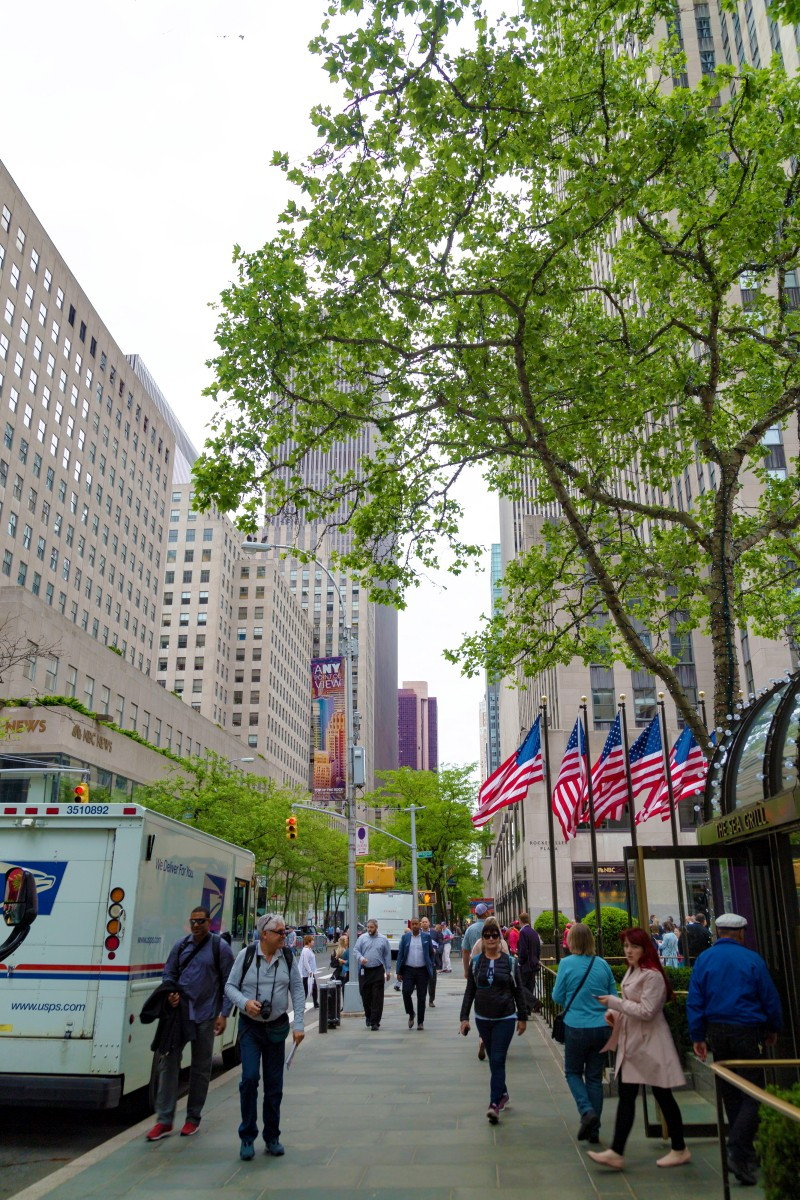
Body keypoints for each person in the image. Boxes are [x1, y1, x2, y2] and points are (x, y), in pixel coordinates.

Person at [687, 912, 783, 1186]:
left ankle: (743, 1151)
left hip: (718, 1032)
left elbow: (695, 999)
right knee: (753, 1092)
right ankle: (739, 1148)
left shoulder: (705, 959)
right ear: (740, 933)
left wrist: (698, 1035)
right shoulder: (752, 959)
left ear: (717, 932)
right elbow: (768, 996)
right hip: (746, 1031)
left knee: (730, 1091)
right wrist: (774, 1027)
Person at [589, 927, 690, 1172]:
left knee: (663, 1095)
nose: (628, 951)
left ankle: (679, 1148)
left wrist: (615, 1003)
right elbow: (632, 1004)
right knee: (627, 1096)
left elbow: (647, 1011)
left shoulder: (652, 975)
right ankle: (617, 1151)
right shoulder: (634, 970)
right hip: (633, 1043)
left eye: (633, 946)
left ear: (644, 948)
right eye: (626, 946)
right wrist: (614, 1013)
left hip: (651, 1044)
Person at [146, 906, 234, 1142]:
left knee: (201, 1067)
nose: (196, 925)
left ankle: (192, 1118)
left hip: (206, 1015)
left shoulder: (220, 948)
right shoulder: (181, 946)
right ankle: (164, 1121)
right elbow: (168, 974)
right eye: (193, 921)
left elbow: (230, 982)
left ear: (209, 923)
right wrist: (170, 993)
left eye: (201, 921)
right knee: (168, 1064)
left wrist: (224, 1013)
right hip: (179, 1015)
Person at [224, 913, 305, 1161]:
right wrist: (245, 1003)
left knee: (274, 1086)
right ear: (264, 934)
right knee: (249, 1080)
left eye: (285, 932)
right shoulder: (246, 956)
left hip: (276, 1028)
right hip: (250, 1028)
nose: (285, 936)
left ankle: (272, 1137)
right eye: (280, 932)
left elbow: (298, 990)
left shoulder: (288, 957)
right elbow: (229, 987)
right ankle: (247, 1136)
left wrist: (299, 1024)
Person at [552, 923, 617, 1143]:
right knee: (594, 1078)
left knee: (572, 1072)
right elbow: (613, 996)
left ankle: (586, 1111)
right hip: (601, 1028)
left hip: (576, 1026)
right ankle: (594, 1130)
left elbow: (557, 996)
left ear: (571, 941)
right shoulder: (602, 965)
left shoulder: (566, 964)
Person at [459, 916, 527, 1124]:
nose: (490, 938)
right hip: (482, 1017)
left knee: (497, 1059)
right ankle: (503, 1093)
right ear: (483, 938)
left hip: (505, 1017)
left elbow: (518, 992)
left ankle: (494, 1104)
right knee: (494, 1061)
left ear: (499, 937)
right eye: (487, 935)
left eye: (494, 935)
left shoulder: (510, 962)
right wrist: (464, 1018)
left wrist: (522, 1017)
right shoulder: (477, 962)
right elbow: (470, 990)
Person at [396, 916, 435, 1030]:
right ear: (410, 925)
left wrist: (430, 966)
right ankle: (411, 1013)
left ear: (420, 925)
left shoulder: (426, 937)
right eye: (412, 924)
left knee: (421, 997)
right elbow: (400, 954)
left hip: (422, 971)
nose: (414, 926)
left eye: (416, 924)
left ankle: (420, 1022)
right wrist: (398, 971)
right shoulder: (405, 938)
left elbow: (431, 953)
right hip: (408, 970)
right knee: (406, 992)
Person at [354, 918, 391, 1030]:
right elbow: (355, 950)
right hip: (365, 971)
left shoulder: (383, 939)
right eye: (368, 927)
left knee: (377, 997)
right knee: (365, 996)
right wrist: (360, 958)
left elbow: (387, 955)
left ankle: (375, 1022)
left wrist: (388, 970)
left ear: (376, 928)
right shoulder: (362, 938)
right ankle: (368, 1015)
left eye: (372, 927)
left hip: (378, 971)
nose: (369, 929)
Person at [516, 913, 541, 1015]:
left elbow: (523, 950)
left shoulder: (523, 932)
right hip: (534, 963)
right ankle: (526, 1010)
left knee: (520, 986)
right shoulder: (534, 932)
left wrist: (520, 962)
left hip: (526, 964)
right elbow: (538, 948)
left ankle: (535, 1003)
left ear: (520, 921)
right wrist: (536, 959)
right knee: (529, 986)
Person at [461, 903, 490, 975]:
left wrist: (466, 970)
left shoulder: (470, 929)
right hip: (492, 965)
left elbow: (465, 951)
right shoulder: (493, 927)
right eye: (488, 910)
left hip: (475, 966)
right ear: (485, 913)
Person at [421, 917, 440, 1006]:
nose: (424, 923)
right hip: (421, 962)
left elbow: (441, 944)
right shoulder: (418, 933)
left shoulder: (434, 933)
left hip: (432, 961)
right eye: (423, 922)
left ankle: (431, 1000)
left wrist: (437, 951)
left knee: (432, 981)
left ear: (429, 923)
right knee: (422, 982)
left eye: (426, 922)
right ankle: (422, 999)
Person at [299, 934, 318, 1008]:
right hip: (308, 973)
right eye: (312, 941)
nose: (313, 942)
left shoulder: (308, 949)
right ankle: (302, 1004)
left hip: (310, 973)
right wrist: (310, 971)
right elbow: (305, 962)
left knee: (313, 988)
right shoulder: (306, 950)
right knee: (307, 989)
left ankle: (315, 1003)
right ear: (309, 942)